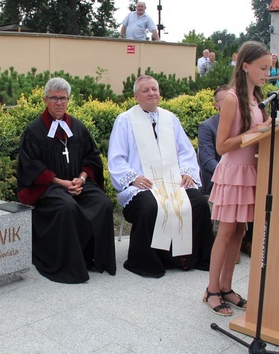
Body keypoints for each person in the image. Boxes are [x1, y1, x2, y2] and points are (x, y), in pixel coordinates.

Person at [107, 75, 214, 278]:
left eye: (154, 89)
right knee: (149, 207)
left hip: (173, 182)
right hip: (143, 184)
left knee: (198, 203)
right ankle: (150, 261)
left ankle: (193, 258)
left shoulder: (170, 119)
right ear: (136, 95)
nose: (151, 93)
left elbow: (185, 151)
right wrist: (132, 178)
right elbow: (116, 157)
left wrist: (187, 172)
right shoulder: (125, 120)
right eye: (146, 90)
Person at [16, 77, 116, 284]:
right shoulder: (34, 131)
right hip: (48, 188)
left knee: (103, 203)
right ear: (45, 100)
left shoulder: (77, 127)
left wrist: (81, 179)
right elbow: (30, 166)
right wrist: (62, 183)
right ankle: (68, 264)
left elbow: (91, 157)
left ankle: (94, 258)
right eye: (54, 98)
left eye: (63, 98)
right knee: (67, 207)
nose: (59, 103)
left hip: (77, 183)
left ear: (69, 100)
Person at [204, 41, 273, 316]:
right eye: (263, 68)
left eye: (270, 68)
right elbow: (221, 146)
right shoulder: (232, 98)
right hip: (234, 173)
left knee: (241, 231)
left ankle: (226, 286)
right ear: (245, 66)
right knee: (226, 231)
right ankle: (211, 290)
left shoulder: (258, 99)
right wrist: (256, 131)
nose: (267, 73)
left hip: (252, 172)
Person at [198, 85, 231, 195]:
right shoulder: (207, 127)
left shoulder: (244, 125)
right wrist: (229, 175)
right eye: (225, 100)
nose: (229, 102)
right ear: (216, 105)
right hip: (218, 181)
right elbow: (207, 160)